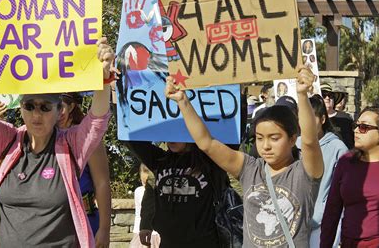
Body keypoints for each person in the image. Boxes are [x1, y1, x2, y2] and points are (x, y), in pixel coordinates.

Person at [0, 37, 114, 247]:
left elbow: (97, 121)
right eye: (29, 106)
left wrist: (104, 76)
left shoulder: (71, 145)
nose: (37, 114)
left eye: (45, 107)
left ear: (59, 111)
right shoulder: (7, 141)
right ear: (21, 108)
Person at [166, 66, 324, 247]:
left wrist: (302, 96)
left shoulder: (304, 173)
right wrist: (182, 101)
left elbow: (311, 141)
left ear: (292, 139)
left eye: (274, 138)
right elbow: (207, 143)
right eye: (259, 138)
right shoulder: (250, 168)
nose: (265, 145)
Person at [124, 140, 229, 248]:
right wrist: (146, 223)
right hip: (168, 243)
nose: (171, 139)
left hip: (204, 242)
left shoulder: (210, 160)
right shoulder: (159, 159)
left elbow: (235, 131)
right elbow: (128, 136)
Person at [320, 107, 379, 247]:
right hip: (349, 242)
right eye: (356, 125)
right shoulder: (346, 162)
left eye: (364, 127)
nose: (356, 130)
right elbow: (332, 210)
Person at [58, 92, 111, 248]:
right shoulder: (42, 138)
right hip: (53, 222)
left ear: (72, 106)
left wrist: (104, 228)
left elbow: (102, 182)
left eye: (61, 106)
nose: (57, 112)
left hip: (84, 220)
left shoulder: (87, 137)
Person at [296, 95, 348, 247]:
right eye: (302, 117)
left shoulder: (338, 148)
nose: (306, 123)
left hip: (324, 222)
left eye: (312, 117)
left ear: (323, 119)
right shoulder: (293, 145)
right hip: (294, 220)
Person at [130, 164, 160, 248]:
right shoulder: (138, 191)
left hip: (157, 233)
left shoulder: (159, 192)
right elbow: (138, 213)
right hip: (140, 232)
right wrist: (137, 231)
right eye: (143, 182)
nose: (146, 186)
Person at [321, 83, 354, 149]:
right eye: (324, 95)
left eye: (330, 95)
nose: (327, 98)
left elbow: (351, 141)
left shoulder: (346, 118)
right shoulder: (314, 119)